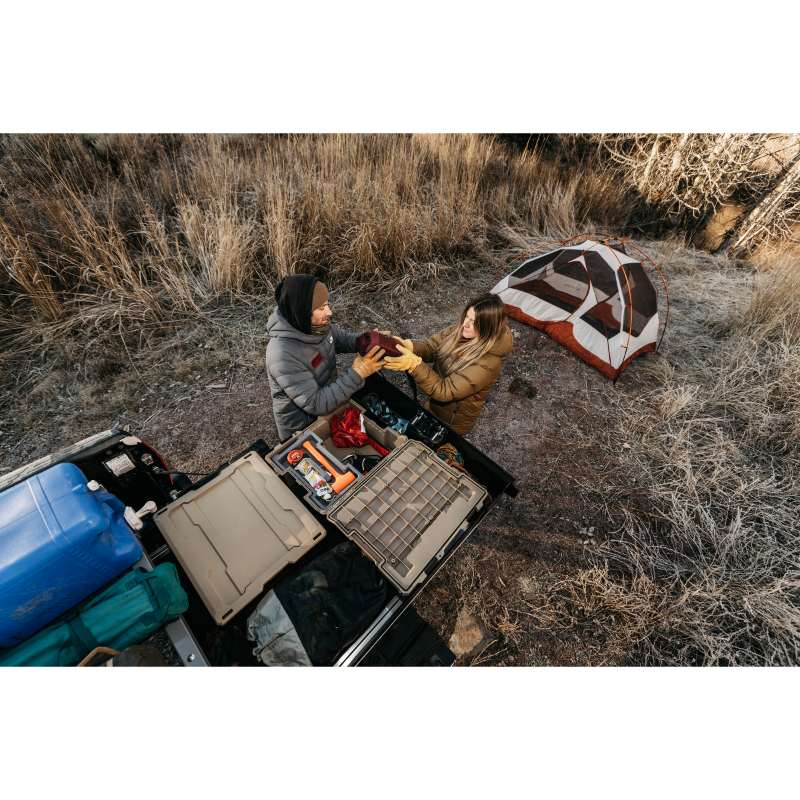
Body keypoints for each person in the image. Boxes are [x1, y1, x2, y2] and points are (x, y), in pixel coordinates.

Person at [265, 274, 385, 441]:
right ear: (302, 312)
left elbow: (343, 340)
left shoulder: (317, 326)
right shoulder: (281, 355)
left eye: (327, 304)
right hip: (303, 428)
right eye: (321, 308)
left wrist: (369, 341)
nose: (329, 312)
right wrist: (358, 372)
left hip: (332, 401)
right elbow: (316, 403)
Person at [384, 293, 513, 436]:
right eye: (467, 317)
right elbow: (432, 347)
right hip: (434, 404)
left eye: (474, 322)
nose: (465, 324)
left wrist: (414, 365)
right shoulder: (461, 330)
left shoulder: (487, 364)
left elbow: (445, 391)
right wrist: (408, 347)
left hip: (452, 419)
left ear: (487, 328)